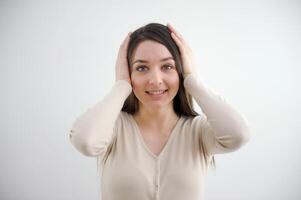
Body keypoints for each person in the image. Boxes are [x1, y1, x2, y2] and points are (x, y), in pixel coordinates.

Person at [69, 22, 250, 200]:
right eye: (141, 68)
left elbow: (238, 135)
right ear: (129, 73)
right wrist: (121, 86)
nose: (155, 80)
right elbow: (85, 141)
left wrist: (193, 80)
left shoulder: (198, 131)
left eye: (167, 66)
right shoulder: (113, 128)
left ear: (180, 70)